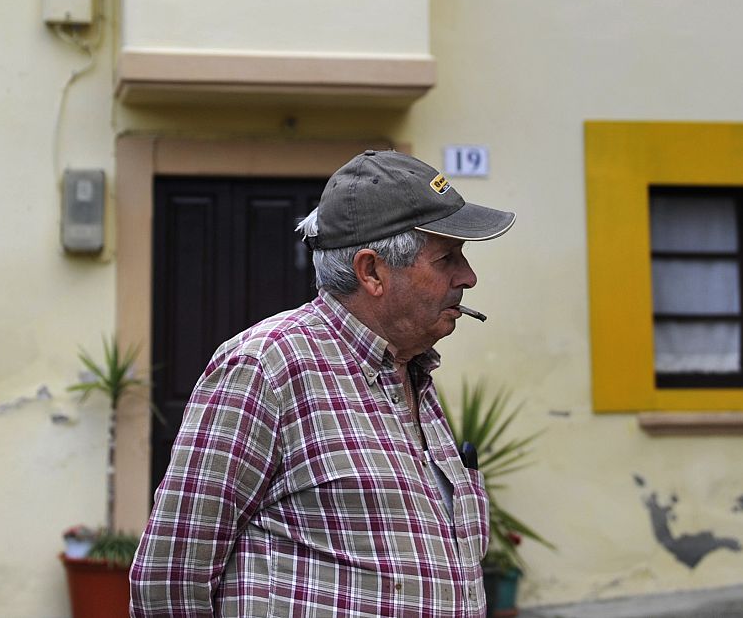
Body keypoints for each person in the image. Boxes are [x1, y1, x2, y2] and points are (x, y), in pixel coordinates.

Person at [130, 149, 516, 618]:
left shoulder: (410, 371)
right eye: (448, 257)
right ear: (372, 271)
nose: (468, 276)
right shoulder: (266, 368)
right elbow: (168, 580)